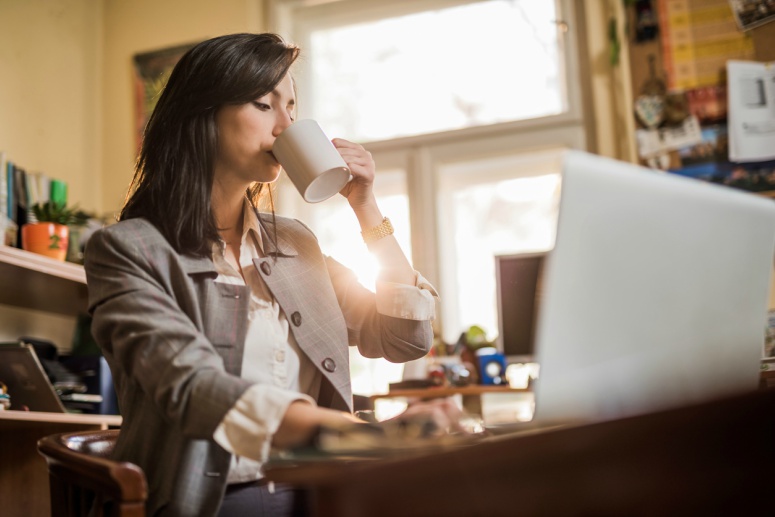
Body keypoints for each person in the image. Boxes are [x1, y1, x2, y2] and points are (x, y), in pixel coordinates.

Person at [84, 32, 458, 517]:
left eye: (293, 110)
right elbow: (194, 386)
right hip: (207, 500)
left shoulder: (296, 244)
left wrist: (367, 209)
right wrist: (358, 433)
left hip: (321, 491)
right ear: (201, 116)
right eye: (264, 104)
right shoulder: (128, 250)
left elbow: (405, 339)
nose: (287, 126)